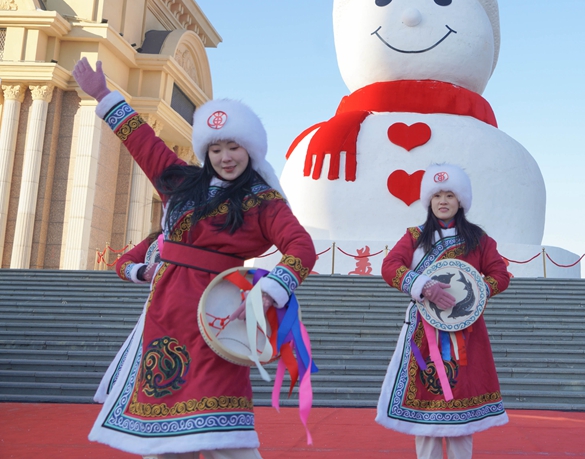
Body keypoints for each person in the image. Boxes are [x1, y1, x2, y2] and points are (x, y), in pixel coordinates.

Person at [72, 58, 317, 459]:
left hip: (219, 316)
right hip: (166, 313)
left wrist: (270, 292)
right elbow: (142, 140)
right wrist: (102, 94)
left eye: (234, 147)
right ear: (206, 151)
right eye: (216, 148)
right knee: (165, 437)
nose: (225, 156)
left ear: (249, 150)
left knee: (222, 432)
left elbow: (301, 247)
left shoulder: (263, 201)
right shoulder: (181, 182)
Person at [377, 164, 510, 459]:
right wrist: (422, 285)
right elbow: (390, 267)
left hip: (466, 333)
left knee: (463, 412)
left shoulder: (478, 239)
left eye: (450, 194)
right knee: (424, 413)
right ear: (429, 201)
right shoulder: (415, 236)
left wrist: (474, 292)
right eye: (437, 195)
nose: (443, 201)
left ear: (460, 200)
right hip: (423, 334)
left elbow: (500, 274)